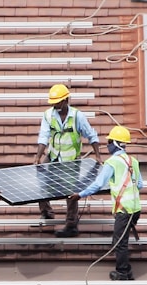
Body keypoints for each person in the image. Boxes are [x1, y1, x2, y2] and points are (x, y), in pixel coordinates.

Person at [69, 126, 142, 281]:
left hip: (124, 209)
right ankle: (127, 270)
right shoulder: (133, 161)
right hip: (136, 209)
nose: (107, 144)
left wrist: (80, 195)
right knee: (121, 239)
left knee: (120, 242)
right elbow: (140, 184)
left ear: (114, 143)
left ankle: (122, 272)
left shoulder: (112, 163)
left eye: (109, 141)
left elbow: (98, 184)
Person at [33, 83, 102, 238]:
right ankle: (47, 213)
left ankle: (71, 225)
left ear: (65, 100)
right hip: (53, 155)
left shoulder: (77, 116)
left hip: (71, 160)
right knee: (40, 179)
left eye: (57, 102)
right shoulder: (48, 115)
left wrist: (98, 155)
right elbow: (43, 136)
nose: (54, 105)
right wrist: (38, 157)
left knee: (71, 192)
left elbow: (91, 135)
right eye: (53, 102)